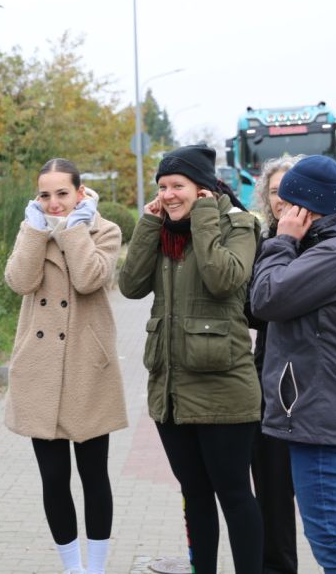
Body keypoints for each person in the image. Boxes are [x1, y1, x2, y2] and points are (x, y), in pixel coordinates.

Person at [118, 144, 263, 573]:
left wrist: (202, 217)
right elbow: (129, 286)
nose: (168, 194)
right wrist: (148, 222)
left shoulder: (238, 224)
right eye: (162, 187)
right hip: (171, 391)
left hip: (225, 389)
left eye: (177, 185)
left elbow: (224, 279)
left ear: (202, 188)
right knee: (194, 494)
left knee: (234, 495)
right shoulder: (164, 230)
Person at [250, 155, 336, 573]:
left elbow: (266, 299)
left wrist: (282, 241)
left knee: (334, 545)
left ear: (303, 208)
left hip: (326, 423)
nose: (282, 212)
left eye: (288, 204)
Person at [4, 158, 128, 574]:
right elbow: (20, 281)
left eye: (62, 193)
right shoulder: (32, 230)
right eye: (45, 194)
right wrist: (34, 231)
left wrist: (75, 227)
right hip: (39, 369)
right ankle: (73, 569)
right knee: (53, 480)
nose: (54, 202)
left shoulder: (104, 230)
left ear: (79, 192)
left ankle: (96, 568)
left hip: (85, 369)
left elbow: (90, 278)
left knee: (95, 477)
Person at [248, 156, 301, 574]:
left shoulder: (324, 241)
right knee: (270, 493)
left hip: (311, 384)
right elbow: (256, 310)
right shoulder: (264, 239)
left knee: (323, 509)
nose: (281, 198)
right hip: (269, 380)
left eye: (289, 188)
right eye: (273, 191)